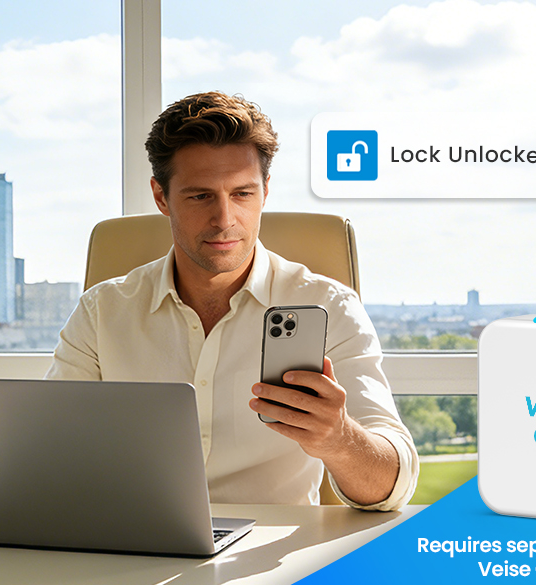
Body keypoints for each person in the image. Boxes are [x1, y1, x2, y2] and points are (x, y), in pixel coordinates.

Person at [46, 91, 418, 510]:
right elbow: (48, 456)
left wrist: (339, 438)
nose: (224, 220)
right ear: (161, 196)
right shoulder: (102, 313)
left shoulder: (329, 306)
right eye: (200, 196)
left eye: (242, 194)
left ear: (265, 192)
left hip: (272, 560)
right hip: (136, 551)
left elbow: (393, 488)